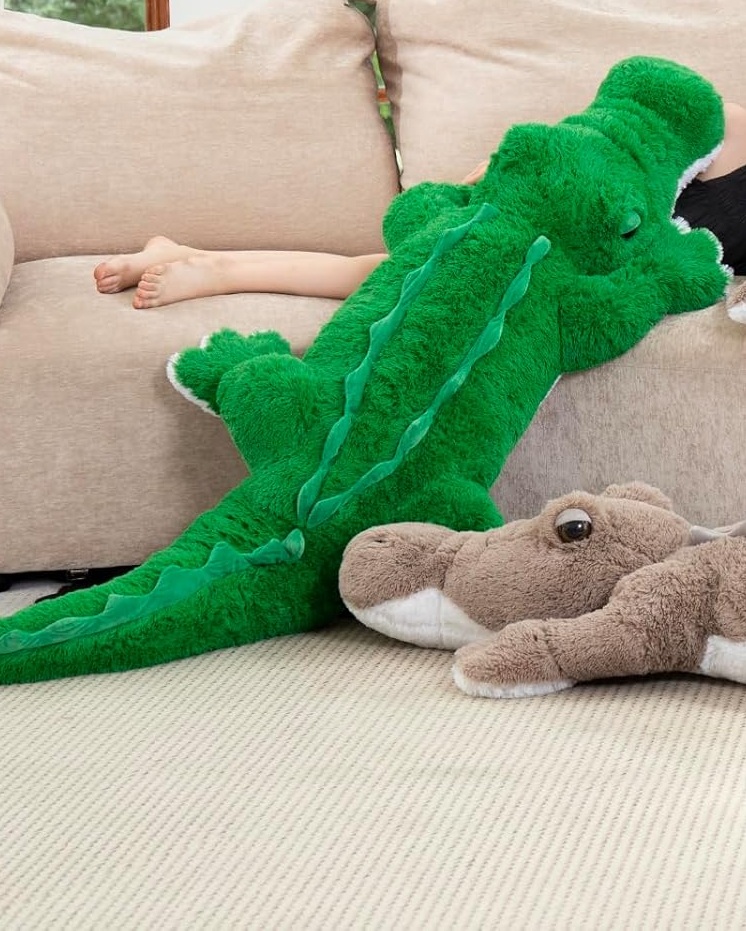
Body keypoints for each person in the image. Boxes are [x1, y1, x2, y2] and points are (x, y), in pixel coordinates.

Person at [94, 104, 746, 310]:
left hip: (580, 277)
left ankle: (187, 255)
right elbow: (601, 145)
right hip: (541, 224)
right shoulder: (727, 123)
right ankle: (215, 270)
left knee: (378, 271)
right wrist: (504, 167)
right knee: (397, 273)